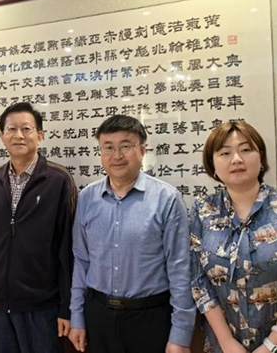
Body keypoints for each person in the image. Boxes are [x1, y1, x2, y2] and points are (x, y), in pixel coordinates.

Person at [190, 121, 277, 353]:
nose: (236, 159)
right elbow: (198, 280)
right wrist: (226, 342)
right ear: (212, 165)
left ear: (261, 158)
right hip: (224, 346)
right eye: (225, 153)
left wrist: (271, 347)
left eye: (246, 150)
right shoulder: (203, 210)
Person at [69, 114, 195, 353]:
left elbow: (179, 268)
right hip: (98, 317)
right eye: (108, 147)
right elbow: (81, 262)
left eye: (126, 146)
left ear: (142, 150)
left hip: (150, 318)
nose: (117, 155)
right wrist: (77, 316)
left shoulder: (167, 199)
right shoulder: (87, 198)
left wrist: (181, 334)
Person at [0, 102, 77, 353]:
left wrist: (67, 307)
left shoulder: (58, 180)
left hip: (42, 307)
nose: (18, 135)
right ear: (1, 136)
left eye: (26, 129)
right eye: (11, 129)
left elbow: (68, 249)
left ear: (40, 135)